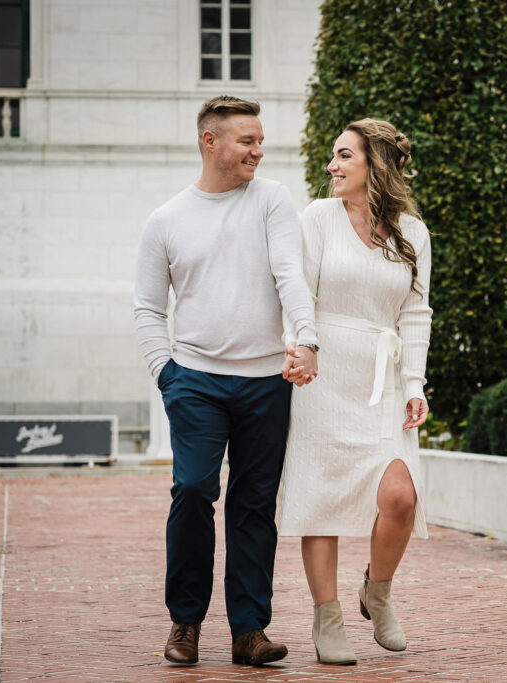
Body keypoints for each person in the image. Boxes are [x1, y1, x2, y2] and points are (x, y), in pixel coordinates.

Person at [133, 95, 319, 666]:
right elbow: (146, 306)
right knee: (192, 491)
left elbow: (289, 272)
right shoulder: (165, 220)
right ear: (210, 141)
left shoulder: (272, 200)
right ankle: (185, 623)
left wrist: (306, 338)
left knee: (255, 505)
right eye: (247, 141)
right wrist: (165, 372)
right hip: (194, 379)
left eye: (260, 141)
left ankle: (248, 631)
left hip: (267, 379)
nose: (258, 151)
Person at [278, 118, 432, 665]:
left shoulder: (413, 233)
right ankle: (328, 617)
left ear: (376, 165)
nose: (332, 166)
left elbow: (416, 312)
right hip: (324, 374)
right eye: (333, 156)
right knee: (322, 499)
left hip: (383, 380)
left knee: (400, 496)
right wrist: (301, 346)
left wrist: (414, 382)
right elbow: (296, 291)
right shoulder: (317, 218)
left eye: (344, 156)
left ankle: (378, 592)